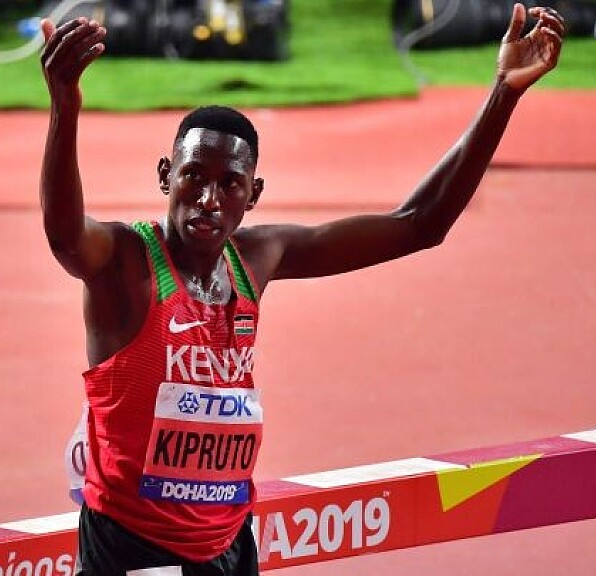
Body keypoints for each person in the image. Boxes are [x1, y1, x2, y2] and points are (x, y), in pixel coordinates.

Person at [38, 3, 564, 575]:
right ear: (166, 176)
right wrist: (65, 106)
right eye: (193, 177)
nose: (209, 200)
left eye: (230, 184)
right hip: (132, 549)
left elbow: (420, 224)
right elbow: (66, 237)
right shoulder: (126, 262)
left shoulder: (256, 258)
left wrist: (503, 94)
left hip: (228, 542)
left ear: (253, 194)